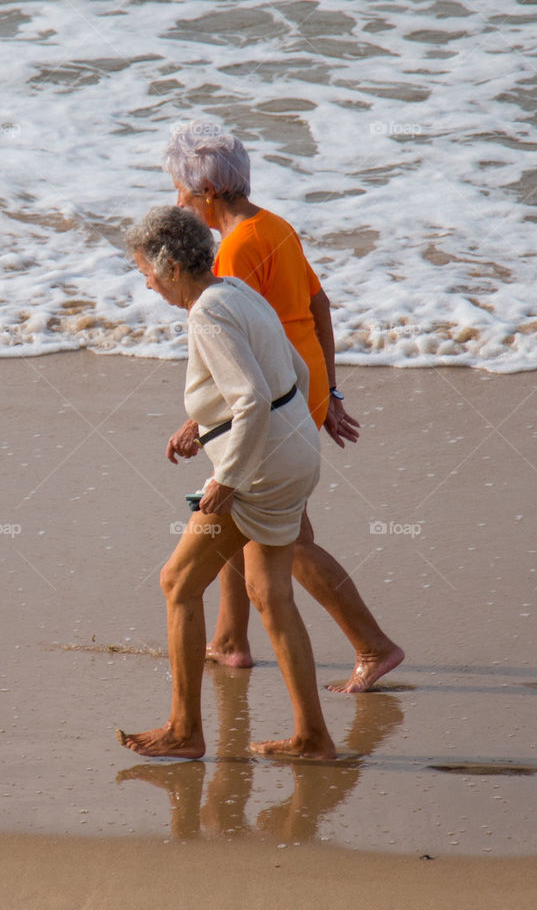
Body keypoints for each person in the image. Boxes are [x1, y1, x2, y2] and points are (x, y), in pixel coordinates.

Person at [162, 123, 404, 693]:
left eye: (181, 190)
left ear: (209, 193)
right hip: (298, 383)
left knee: (285, 537)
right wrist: (329, 390)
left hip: (272, 397)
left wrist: (201, 420)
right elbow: (318, 304)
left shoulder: (237, 249)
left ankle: (373, 645)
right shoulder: (274, 226)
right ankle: (229, 640)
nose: (177, 202)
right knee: (236, 516)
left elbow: (238, 343)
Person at [117, 205, 336, 760]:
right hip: (294, 455)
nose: (145, 281)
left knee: (177, 583)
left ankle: (184, 730)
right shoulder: (235, 290)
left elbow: (252, 398)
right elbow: (293, 371)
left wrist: (229, 479)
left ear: (170, 264)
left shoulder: (205, 315)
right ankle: (313, 738)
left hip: (257, 471)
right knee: (271, 595)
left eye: (145, 269)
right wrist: (202, 422)